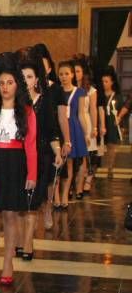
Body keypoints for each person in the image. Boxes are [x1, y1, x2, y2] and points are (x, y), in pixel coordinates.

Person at [0, 53, 37, 288]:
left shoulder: (26, 111)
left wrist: (32, 174)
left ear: (17, 85)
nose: (5, 87)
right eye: (2, 83)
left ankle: (7, 263)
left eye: (10, 82)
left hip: (15, 164)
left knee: (10, 216)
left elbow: (31, 145)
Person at [16, 49, 62, 239]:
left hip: (41, 154)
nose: (26, 80)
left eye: (29, 76)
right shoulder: (16, 102)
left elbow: (52, 131)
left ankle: (28, 242)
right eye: (23, 77)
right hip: (19, 155)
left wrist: (58, 152)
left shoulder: (45, 100)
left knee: (34, 199)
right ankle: (21, 239)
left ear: (36, 80)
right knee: (20, 201)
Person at [56, 61, 88, 209]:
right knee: (57, 163)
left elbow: (81, 114)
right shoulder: (55, 91)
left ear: (73, 75)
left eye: (67, 74)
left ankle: (64, 195)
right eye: (61, 74)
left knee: (69, 163)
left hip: (73, 127)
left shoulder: (79, 91)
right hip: (58, 127)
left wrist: (85, 133)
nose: (64, 77)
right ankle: (55, 196)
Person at [73, 55, 100, 196]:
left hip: (85, 122)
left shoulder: (91, 90)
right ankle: (73, 184)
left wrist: (94, 127)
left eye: (78, 71)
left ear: (83, 73)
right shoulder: (69, 88)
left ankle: (81, 186)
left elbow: (93, 109)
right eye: (74, 71)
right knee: (73, 158)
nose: (76, 74)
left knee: (85, 156)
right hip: (72, 122)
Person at [99, 67, 123, 178]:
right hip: (101, 122)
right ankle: (96, 165)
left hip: (111, 123)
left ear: (112, 82)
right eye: (103, 81)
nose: (104, 84)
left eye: (106, 81)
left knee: (111, 146)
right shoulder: (100, 95)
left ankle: (110, 167)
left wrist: (119, 119)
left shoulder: (117, 96)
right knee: (100, 145)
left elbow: (121, 109)